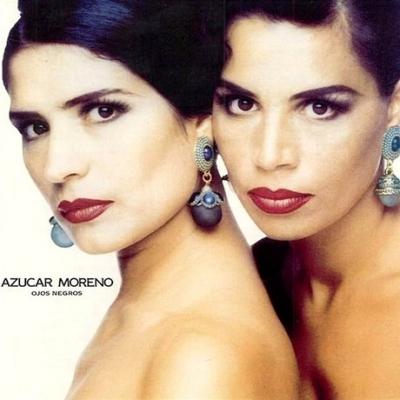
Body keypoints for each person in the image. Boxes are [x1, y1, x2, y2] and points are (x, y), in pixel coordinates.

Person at [3, 0, 299, 398]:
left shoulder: (203, 357)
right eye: (36, 128)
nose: (57, 167)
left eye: (103, 111)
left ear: (204, 124)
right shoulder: (149, 314)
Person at [212, 0, 400, 398]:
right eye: (242, 104)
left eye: (319, 107)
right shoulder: (255, 277)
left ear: (395, 106)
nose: (269, 156)